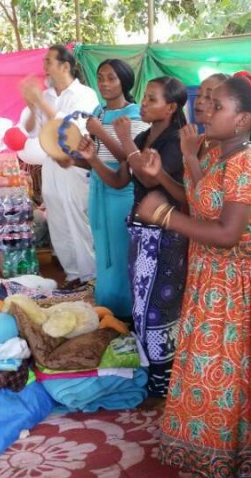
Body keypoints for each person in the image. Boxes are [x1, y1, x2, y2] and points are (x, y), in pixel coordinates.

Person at [135, 71, 251, 478]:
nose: (207, 111)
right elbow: (201, 203)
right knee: (206, 369)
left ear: (242, 120)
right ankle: (205, 452)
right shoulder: (218, 153)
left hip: (235, 285)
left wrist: (165, 216)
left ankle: (232, 457)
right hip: (210, 277)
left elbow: (227, 232)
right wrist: (166, 174)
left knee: (226, 374)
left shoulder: (246, 164)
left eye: (218, 106)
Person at [76, 76, 189, 398]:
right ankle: (148, 374)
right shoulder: (142, 138)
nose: (144, 104)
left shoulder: (175, 141)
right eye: (145, 97)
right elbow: (119, 180)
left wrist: (125, 140)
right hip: (140, 232)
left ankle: (163, 381)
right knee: (141, 306)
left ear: (171, 107)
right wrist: (92, 159)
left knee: (159, 309)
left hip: (165, 235)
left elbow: (148, 177)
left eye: (152, 99)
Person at [20, 44, 100, 288]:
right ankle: (73, 275)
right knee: (57, 220)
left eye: (49, 61)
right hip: (51, 162)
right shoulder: (46, 96)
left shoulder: (84, 94)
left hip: (75, 162)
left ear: (65, 66)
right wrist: (32, 105)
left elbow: (68, 129)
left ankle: (90, 277)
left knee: (77, 217)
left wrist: (40, 102)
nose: (44, 66)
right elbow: (32, 131)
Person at [81, 59, 149, 318]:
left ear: (125, 82)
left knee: (121, 250)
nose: (104, 83)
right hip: (98, 186)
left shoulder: (134, 115)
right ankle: (107, 304)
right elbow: (96, 156)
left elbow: (129, 159)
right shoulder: (98, 112)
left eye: (111, 78)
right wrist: (74, 156)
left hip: (122, 192)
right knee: (102, 247)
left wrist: (100, 132)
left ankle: (128, 311)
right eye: (100, 77)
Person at [180, 73, 230, 185]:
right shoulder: (198, 141)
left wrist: (191, 157)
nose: (199, 101)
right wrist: (159, 173)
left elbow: (207, 195)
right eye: (198, 95)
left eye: (208, 97)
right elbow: (188, 193)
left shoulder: (230, 150)